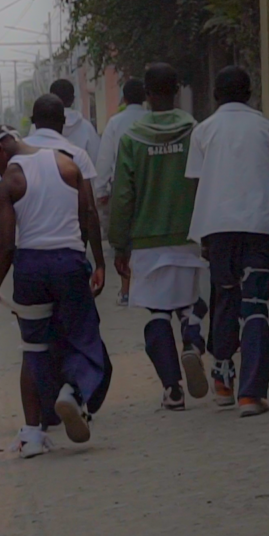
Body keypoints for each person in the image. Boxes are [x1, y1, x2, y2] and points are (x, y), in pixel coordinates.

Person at [0, 124, 110, 457]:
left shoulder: (9, 182)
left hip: (31, 268)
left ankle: (32, 435)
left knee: (34, 348)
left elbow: (6, 245)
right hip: (69, 262)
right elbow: (89, 214)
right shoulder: (67, 163)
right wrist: (98, 261)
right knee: (83, 336)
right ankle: (74, 392)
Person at [108, 63, 209, 410]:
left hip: (149, 240)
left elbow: (123, 197)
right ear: (177, 90)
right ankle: (193, 343)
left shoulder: (132, 138)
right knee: (188, 302)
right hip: (190, 233)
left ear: (147, 96)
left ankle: (172, 389)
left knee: (157, 313)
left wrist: (119, 244)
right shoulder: (195, 132)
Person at [186, 66, 269, 418]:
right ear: (250, 92)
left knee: (224, 297)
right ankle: (251, 395)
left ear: (215, 95)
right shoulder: (266, 127)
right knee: (254, 304)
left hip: (218, 227)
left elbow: (198, 182)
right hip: (258, 224)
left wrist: (205, 233)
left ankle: (223, 380)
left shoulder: (204, 131)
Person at [95, 78, 149, 307]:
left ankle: (126, 291)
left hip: (122, 185)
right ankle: (148, 287)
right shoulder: (151, 119)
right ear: (145, 97)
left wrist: (101, 189)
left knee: (124, 239)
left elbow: (106, 158)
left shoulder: (115, 122)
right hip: (149, 184)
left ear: (124, 99)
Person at [47, 78, 102, 161]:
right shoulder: (87, 127)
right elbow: (97, 158)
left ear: (49, 99)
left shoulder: (40, 126)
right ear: (73, 99)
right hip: (81, 173)